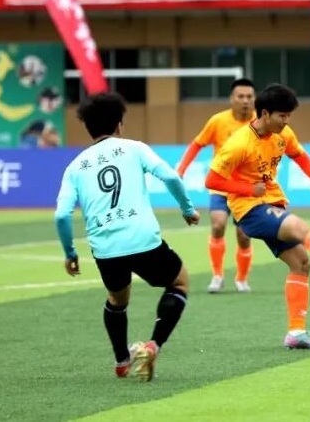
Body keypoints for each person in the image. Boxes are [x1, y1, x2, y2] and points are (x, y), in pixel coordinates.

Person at [205, 83, 310, 350]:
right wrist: (248, 189)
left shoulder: (282, 134)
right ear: (264, 113)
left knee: (301, 263)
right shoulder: (239, 143)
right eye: (282, 116)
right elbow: (212, 180)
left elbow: (301, 157)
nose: (286, 121)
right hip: (249, 210)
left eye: (289, 116)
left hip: (272, 202)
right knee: (297, 227)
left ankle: (296, 333)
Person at [54, 92, 200, 382]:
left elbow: (61, 215)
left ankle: (122, 360)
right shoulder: (134, 148)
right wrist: (187, 209)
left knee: (117, 300)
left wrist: (70, 253)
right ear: (120, 124)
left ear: (88, 127)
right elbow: (171, 177)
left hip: (106, 247)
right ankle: (153, 345)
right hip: (143, 239)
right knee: (179, 282)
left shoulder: (75, 167)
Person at [176, 78, 257, 293]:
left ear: (255, 99)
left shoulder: (260, 122)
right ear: (232, 99)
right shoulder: (218, 121)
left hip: (247, 189)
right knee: (218, 225)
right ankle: (217, 276)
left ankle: (242, 279)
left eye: (249, 96)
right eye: (241, 96)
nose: (245, 101)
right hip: (221, 185)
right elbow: (197, 144)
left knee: (244, 235)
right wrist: (181, 169)